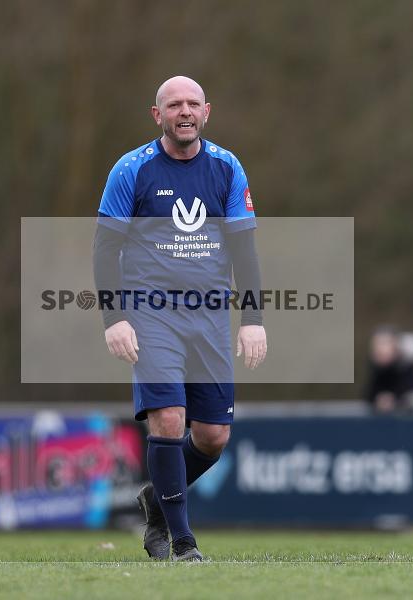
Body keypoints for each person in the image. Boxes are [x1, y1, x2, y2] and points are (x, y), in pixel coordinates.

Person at [93, 76, 266, 561]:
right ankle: (183, 542)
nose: (184, 111)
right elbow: (105, 250)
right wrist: (114, 318)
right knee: (168, 419)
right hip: (151, 314)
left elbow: (244, 250)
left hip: (209, 316)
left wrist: (252, 318)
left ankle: (156, 499)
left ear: (207, 112)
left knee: (212, 437)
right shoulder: (132, 170)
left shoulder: (227, 167)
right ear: (158, 115)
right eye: (174, 105)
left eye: (193, 104)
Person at [364, 326, 413, 414]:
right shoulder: (377, 371)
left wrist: (397, 401)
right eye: (377, 344)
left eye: (384, 343)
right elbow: (368, 396)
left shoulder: (408, 370)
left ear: (396, 346)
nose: (379, 349)